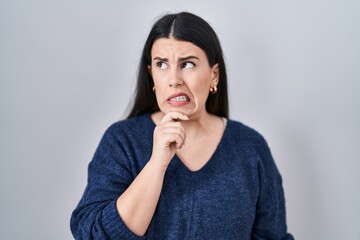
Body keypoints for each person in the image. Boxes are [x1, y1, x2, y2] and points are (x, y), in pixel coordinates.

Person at [70, 12, 294, 239]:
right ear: (152, 76)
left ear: (214, 75)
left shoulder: (250, 147)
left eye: (187, 64)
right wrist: (157, 164)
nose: (174, 79)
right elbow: (92, 235)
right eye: (161, 64)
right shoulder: (122, 141)